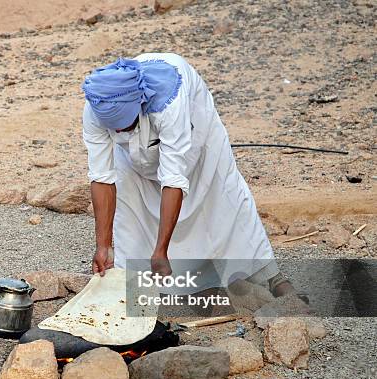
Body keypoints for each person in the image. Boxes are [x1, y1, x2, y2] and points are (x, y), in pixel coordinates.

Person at [81, 53, 296, 300]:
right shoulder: (96, 107)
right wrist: (104, 246)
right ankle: (135, 288)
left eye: (124, 126)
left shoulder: (169, 103)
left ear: (137, 106)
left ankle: (269, 277)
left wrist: (162, 250)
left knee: (221, 199)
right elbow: (101, 177)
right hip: (133, 158)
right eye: (114, 129)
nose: (118, 132)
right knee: (129, 208)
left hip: (194, 143)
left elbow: (173, 179)